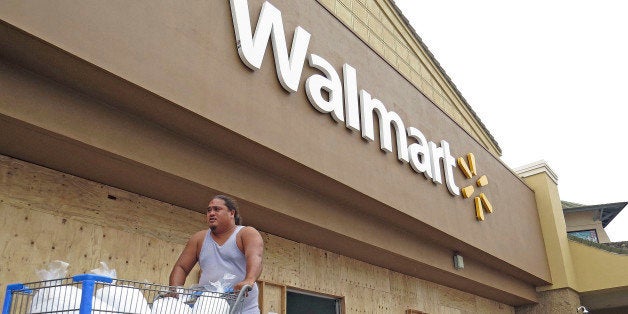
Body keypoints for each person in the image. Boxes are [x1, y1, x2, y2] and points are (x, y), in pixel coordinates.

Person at [169, 194, 263, 313]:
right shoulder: (199, 238)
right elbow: (181, 267)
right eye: (209, 210)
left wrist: (249, 280)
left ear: (231, 213)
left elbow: (256, 258)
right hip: (209, 307)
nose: (211, 213)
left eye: (217, 209)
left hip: (243, 308)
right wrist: (175, 291)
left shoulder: (246, 234)